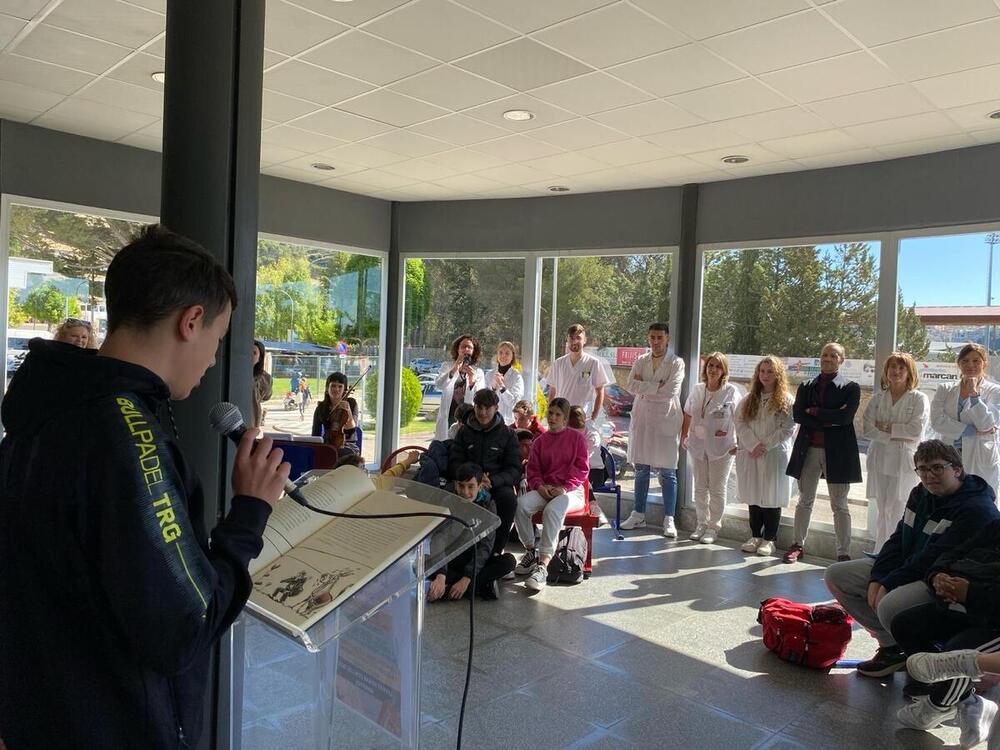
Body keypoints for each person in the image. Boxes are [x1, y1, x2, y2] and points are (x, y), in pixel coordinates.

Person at [0, 225, 290, 749]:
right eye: (217, 342)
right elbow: (183, 627)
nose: (211, 361)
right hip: (114, 722)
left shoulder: (50, 406)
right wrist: (249, 513)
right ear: (191, 321)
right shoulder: (126, 435)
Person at [824, 440, 999, 678]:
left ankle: (930, 666)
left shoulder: (976, 509)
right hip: (910, 566)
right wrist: (878, 578)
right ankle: (892, 648)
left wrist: (889, 583)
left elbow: (935, 557)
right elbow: (897, 539)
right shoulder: (921, 493)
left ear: (957, 469)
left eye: (937, 468)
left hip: (936, 575)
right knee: (836, 575)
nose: (929, 476)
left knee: (889, 606)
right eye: (923, 469)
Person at [891, 517, 1000, 738]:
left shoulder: (976, 508)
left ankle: (937, 705)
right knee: (904, 624)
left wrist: (971, 593)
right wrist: (938, 577)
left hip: (993, 620)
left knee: (957, 651)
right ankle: (964, 699)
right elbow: (953, 552)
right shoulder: (996, 525)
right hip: (963, 603)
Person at [783, 342, 862, 564]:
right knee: (804, 500)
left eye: (833, 355)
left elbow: (845, 419)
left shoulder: (851, 388)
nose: (828, 358)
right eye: (824, 355)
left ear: (841, 360)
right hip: (808, 450)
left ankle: (843, 552)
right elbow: (799, 415)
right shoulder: (806, 386)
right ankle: (797, 545)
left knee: (840, 504)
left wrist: (815, 411)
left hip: (837, 452)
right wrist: (831, 416)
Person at [512, 397, 590, 591]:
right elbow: (533, 469)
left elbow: (581, 469)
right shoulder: (540, 441)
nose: (553, 418)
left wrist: (564, 488)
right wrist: (539, 487)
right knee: (520, 505)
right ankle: (530, 552)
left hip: (572, 492)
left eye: (558, 415)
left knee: (554, 509)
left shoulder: (576, 439)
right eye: (551, 413)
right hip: (546, 489)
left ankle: (543, 566)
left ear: (565, 419)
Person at [620, 323, 685, 536]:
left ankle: (669, 519)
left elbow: (671, 391)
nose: (655, 342)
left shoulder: (676, 363)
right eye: (652, 338)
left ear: (667, 338)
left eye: (659, 337)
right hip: (644, 419)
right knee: (641, 469)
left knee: (667, 472)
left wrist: (645, 386)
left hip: (665, 420)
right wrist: (657, 385)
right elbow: (631, 385)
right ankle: (638, 514)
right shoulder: (641, 361)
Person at [863, 352, 930, 551]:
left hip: (904, 462)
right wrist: (896, 431)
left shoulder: (919, 399)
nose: (897, 371)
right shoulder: (877, 399)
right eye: (893, 367)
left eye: (902, 368)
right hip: (880, 459)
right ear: (886, 371)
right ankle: (880, 551)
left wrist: (884, 427)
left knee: (901, 509)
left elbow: (915, 431)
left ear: (910, 372)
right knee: (883, 509)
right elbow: (868, 429)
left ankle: (897, 554)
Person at [428, 463, 517, 602]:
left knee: (509, 561)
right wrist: (441, 574)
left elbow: (486, 545)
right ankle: (479, 587)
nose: (465, 492)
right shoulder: (448, 501)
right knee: (419, 564)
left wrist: (467, 577)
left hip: (475, 558)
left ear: (480, 486)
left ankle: (454, 588)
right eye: (461, 486)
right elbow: (439, 538)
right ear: (455, 485)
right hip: (453, 556)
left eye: (471, 486)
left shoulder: (488, 505)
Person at [450, 388, 522, 557]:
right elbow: (454, 461)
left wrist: (494, 481)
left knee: (508, 499)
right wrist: (471, 478)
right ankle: (455, 552)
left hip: (495, 484)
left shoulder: (508, 434)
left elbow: (515, 469)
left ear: (496, 408)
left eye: (487, 408)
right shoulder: (464, 432)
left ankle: (495, 552)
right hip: (467, 484)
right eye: (479, 407)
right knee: (449, 495)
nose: (483, 413)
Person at [735, 356, 795, 557]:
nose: (765, 375)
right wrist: (753, 444)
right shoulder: (748, 399)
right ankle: (755, 536)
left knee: (772, 497)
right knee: (753, 495)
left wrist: (765, 445)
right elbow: (740, 423)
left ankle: (769, 539)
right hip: (753, 453)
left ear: (778, 375)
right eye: (762, 371)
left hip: (773, 454)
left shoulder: (786, 400)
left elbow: (788, 428)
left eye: (770, 372)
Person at [681, 352, 739, 545]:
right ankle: (701, 524)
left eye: (717, 366)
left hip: (722, 448)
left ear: (723, 370)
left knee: (717, 488)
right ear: (705, 368)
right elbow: (688, 413)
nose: (713, 370)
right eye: (710, 366)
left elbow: (739, 417)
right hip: (698, 445)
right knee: (699, 487)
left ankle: (713, 527)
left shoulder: (730, 391)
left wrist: (737, 441)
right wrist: (684, 435)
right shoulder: (698, 389)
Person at [931, 343, 1000, 496]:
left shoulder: (995, 391)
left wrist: (974, 395)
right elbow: (936, 421)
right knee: (949, 502)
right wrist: (970, 430)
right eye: (965, 360)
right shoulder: (945, 388)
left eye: (976, 361)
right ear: (959, 364)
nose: (970, 365)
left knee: (980, 504)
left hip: (979, 456)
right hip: (950, 454)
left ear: (985, 363)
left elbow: (988, 424)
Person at [546, 324, 610, 420]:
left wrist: (594, 416)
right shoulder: (558, 363)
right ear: (567, 340)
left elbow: (600, 392)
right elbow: (552, 391)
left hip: (582, 418)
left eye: (578, 338)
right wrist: (550, 414)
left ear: (584, 340)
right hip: (561, 417)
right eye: (571, 338)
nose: (574, 341)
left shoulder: (593, 363)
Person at [433, 334, 486, 440]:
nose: (466, 349)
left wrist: (472, 381)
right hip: (449, 415)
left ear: (473, 351)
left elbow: (480, 397)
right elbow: (439, 385)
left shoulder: (478, 372)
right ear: (457, 349)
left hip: (467, 417)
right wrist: (454, 368)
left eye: (469, 347)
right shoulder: (447, 366)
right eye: (463, 347)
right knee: (446, 445)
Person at [311, 372, 359, 454]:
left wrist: (349, 414)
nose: (336, 389)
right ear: (327, 388)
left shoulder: (351, 403)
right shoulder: (321, 407)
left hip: (348, 445)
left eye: (340, 386)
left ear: (344, 390)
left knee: (339, 453)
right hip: (328, 444)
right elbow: (315, 433)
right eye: (333, 386)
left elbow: (351, 430)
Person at [485, 341, 525, 425]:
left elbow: (514, 404)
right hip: (490, 420)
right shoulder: (489, 375)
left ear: (512, 356)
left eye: (507, 353)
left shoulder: (517, 377)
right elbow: (484, 401)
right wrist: (493, 388)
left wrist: (502, 387)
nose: (503, 356)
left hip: (508, 421)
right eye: (500, 352)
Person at [251, 339, 272, 429]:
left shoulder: (264, 378)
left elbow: (266, 396)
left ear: (260, 357)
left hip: (253, 420)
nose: (250, 355)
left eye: (254, 353)